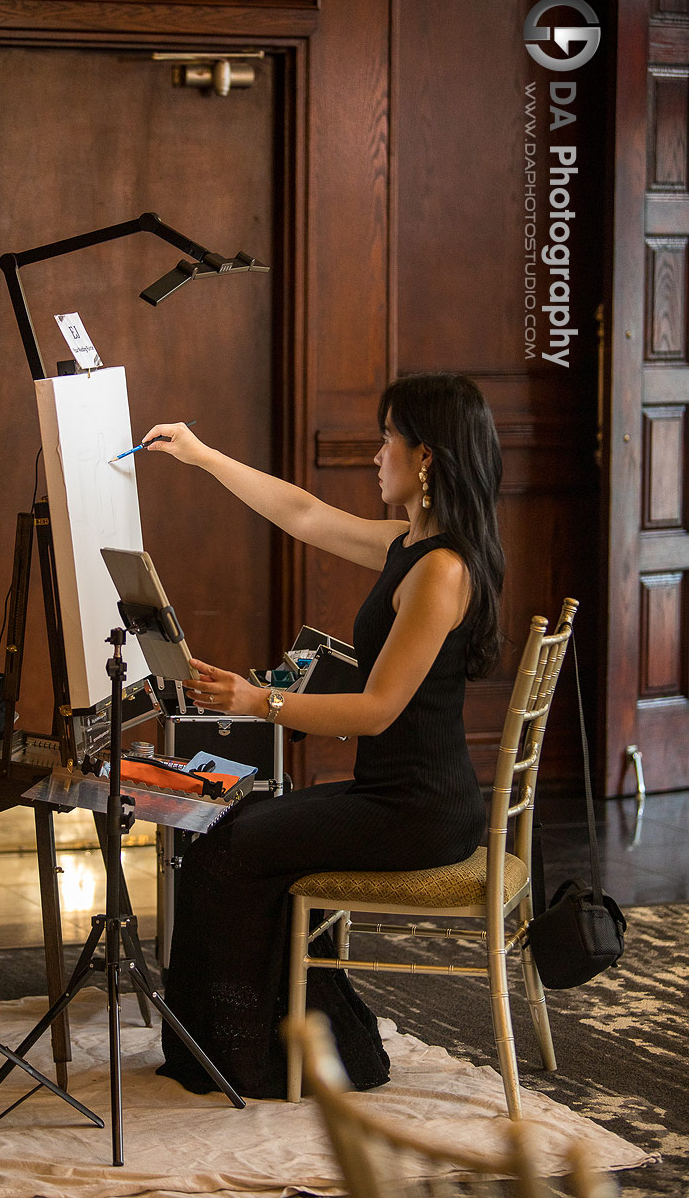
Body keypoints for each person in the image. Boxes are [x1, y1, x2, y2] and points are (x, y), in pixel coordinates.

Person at [142, 372, 504, 1099]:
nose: (375, 454)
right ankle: (270, 1044)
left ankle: (253, 1056)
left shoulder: (441, 570)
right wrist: (202, 456)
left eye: (386, 438)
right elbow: (304, 514)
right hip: (395, 796)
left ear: (424, 457)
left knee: (228, 846)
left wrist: (259, 701)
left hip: (417, 813)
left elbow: (376, 710)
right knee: (230, 825)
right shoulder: (412, 544)